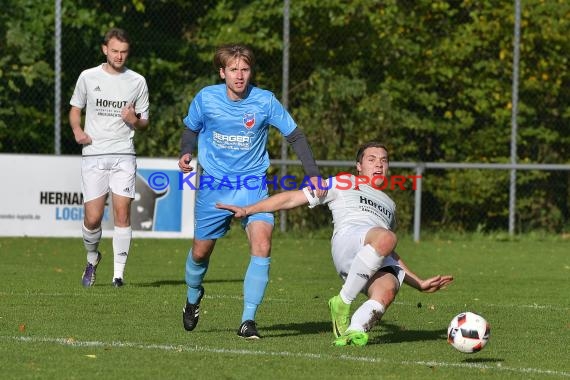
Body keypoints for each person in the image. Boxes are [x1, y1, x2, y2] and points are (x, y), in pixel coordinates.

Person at [216, 141, 453, 346]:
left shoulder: (389, 204)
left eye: (384, 160)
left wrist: (418, 283)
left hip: (370, 252)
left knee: (389, 288)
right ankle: (343, 302)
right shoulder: (344, 181)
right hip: (348, 242)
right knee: (386, 238)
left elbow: (387, 249)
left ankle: (354, 331)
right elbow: (291, 198)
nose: (379, 164)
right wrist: (248, 209)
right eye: (371, 159)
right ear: (359, 166)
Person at [178, 44, 325, 339]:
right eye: (233, 69)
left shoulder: (265, 101)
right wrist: (186, 152)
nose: (240, 75)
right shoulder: (206, 98)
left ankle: (248, 321)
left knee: (262, 244)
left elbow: (295, 135)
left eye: (244, 69)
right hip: (214, 186)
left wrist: (314, 175)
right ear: (222, 73)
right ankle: (193, 297)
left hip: (252, 185)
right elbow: (191, 128)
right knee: (200, 252)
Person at [69, 27, 150, 288]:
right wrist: (78, 130)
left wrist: (134, 120)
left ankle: (118, 276)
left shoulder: (137, 81)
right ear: (105, 49)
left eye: (124, 52)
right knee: (92, 219)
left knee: (122, 213)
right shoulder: (87, 76)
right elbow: (75, 110)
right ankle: (93, 258)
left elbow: (144, 122)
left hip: (123, 154)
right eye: (114, 51)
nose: (119, 56)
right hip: (93, 155)